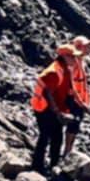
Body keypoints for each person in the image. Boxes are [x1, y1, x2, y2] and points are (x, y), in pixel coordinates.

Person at [30, 44, 78, 174]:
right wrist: (57, 112)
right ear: (64, 56)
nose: (75, 59)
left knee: (57, 136)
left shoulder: (64, 69)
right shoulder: (53, 71)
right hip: (44, 108)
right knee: (45, 136)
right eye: (72, 56)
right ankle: (37, 165)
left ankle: (53, 164)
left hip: (53, 107)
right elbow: (47, 93)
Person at [62, 35, 90, 157]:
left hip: (80, 99)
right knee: (73, 123)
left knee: (76, 124)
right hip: (73, 99)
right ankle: (66, 150)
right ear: (79, 47)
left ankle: (68, 149)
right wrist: (81, 102)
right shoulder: (73, 62)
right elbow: (72, 84)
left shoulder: (82, 61)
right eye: (87, 46)